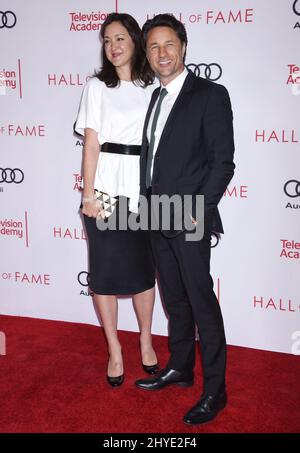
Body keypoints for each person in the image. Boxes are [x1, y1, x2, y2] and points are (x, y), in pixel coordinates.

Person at [135, 14, 235, 425]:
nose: (161, 53)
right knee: (175, 301)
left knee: (201, 303)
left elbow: (222, 163)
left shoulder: (210, 94)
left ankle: (215, 390)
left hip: (189, 216)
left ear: (183, 47)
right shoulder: (155, 97)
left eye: (169, 45)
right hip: (155, 215)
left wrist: (198, 210)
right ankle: (180, 367)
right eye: (154, 47)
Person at [75, 13, 159, 387]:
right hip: (106, 190)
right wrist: (88, 194)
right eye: (107, 39)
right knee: (105, 275)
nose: (114, 46)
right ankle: (114, 347)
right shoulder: (96, 86)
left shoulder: (154, 84)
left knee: (144, 272)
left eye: (121, 37)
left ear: (135, 41)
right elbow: (91, 143)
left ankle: (144, 338)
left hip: (144, 191)